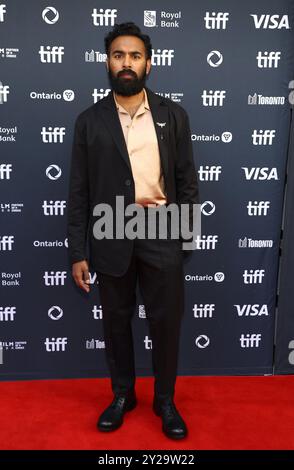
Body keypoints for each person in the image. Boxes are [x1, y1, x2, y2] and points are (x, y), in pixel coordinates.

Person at [67, 22, 199, 440]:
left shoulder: (174, 115)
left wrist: (184, 240)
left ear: (149, 64)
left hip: (162, 228)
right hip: (110, 231)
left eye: (135, 56)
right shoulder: (89, 121)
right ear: (108, 62)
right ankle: (122, 395)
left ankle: (166, 401)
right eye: (119, 55)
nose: (127, 63)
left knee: (165, 323)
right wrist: (77, 251)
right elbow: (79, 192)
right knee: (116, 322)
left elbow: (188, 183)